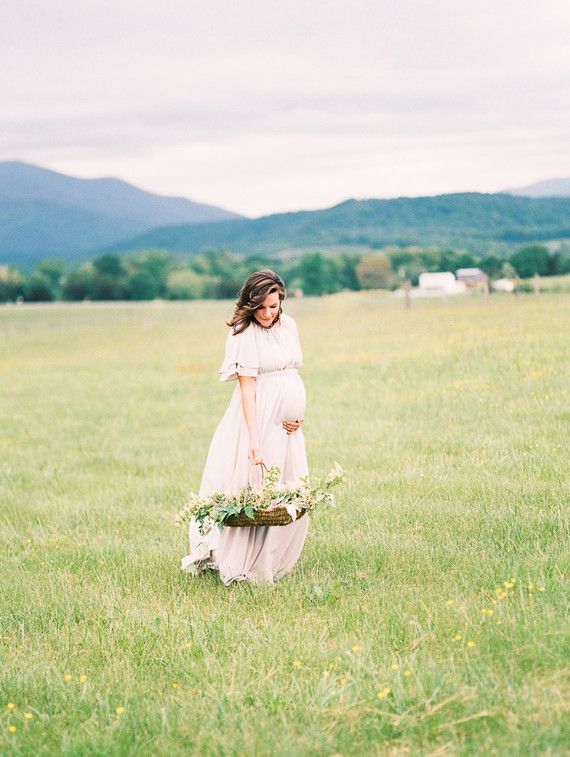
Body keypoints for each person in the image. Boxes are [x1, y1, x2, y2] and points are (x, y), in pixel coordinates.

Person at [180, 269, 310, 585]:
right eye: (261, 307)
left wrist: (298, 411)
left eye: (274, 306)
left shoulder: (289, 325)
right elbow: (248, 389)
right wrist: (254, 440)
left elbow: (290, 373)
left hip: (287, 427)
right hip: (258, 420)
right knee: (254, 489)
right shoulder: (243, 332)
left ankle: (275, 560)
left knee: (285, 489)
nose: (268, 313)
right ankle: (241, 563)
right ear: (250, 305)